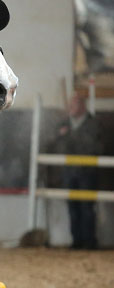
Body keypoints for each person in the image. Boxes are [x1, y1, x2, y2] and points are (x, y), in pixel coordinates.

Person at [51, 92, 103, 249]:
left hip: (87, 172)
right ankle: (77, 241)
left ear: (82, 106)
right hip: (69, 171)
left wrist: (68, 136)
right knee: (72, 207)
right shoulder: (64, 124)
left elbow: (93, 147)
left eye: (73, 105)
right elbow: (57, 145)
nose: (70, 108)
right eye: (70, 105)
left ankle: (89, 241)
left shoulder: (93, 124)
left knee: (87, 208)